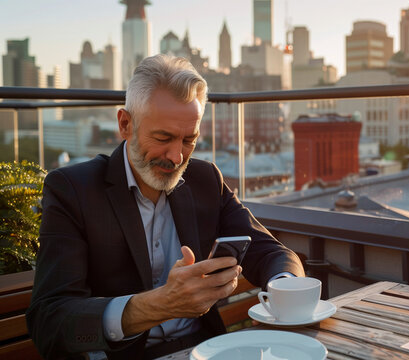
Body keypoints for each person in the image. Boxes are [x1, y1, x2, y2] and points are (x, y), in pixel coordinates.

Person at [26, 54, 305, 359]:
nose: (176, 157)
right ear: (125, 124)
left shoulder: (206, 179)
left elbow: (275, 254)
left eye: (189, 140)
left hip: (205, 351)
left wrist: (285, 290)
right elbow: (49, 320)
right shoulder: (72, 189)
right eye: (163, 138)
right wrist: (158, 305)